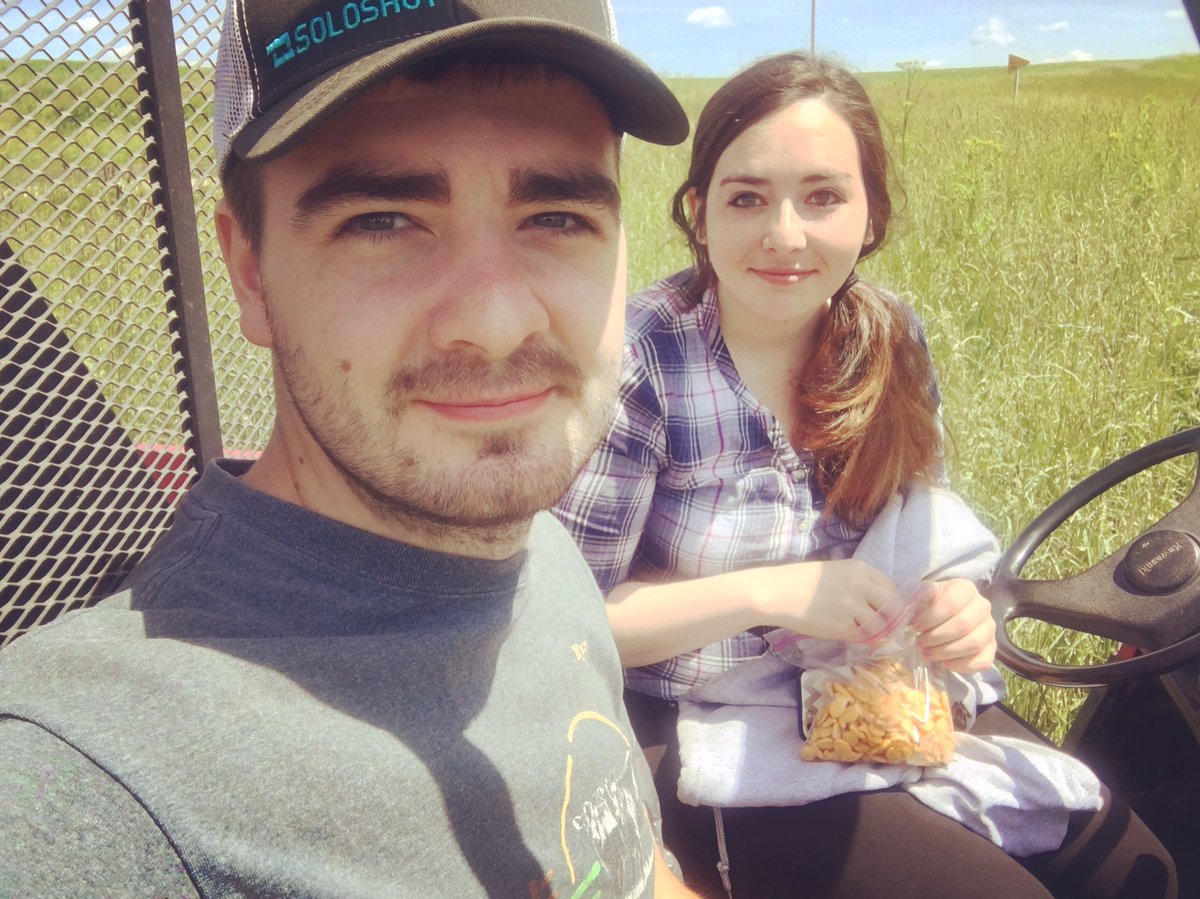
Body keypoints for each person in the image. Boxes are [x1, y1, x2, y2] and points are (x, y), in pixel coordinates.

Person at [0, 2, 703, 896]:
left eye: (557, 215)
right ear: (250, 268)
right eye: (383, 219)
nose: (494, 323)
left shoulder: (543, 551)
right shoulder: (98, 791)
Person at [554, 51, 1178, 899]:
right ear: (698, 212)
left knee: (1138, 872)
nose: (784, 233)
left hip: (880, 686)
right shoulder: (640, 362)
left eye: (822, 196)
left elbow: (928, 535)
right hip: (693, 723)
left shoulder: (891, 339)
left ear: (870, 214)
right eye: (746, 197)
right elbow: (568, 626)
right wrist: (776, 592)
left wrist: (958, 606)